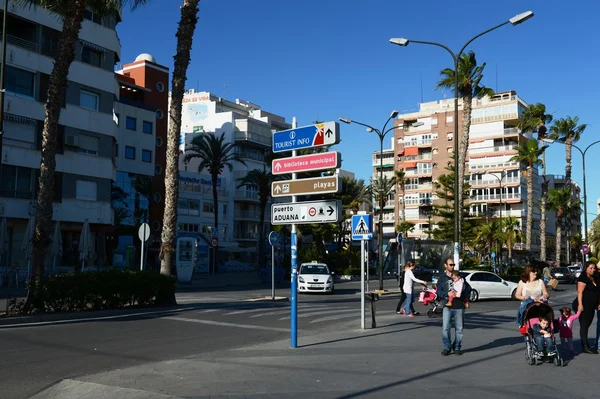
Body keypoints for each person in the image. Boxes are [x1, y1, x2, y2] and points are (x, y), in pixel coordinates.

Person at [437, 257, 465, 356]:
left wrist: (461, 292)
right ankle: (447, 347)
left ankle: (457, 347)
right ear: (445, 265)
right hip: (447, 305)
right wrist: (447, 294)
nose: (452, 266)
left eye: (453, 265)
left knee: (459, 328)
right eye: (450, 265)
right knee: (445, 328)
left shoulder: (459, 276)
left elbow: (467, 289)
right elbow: (439, 292)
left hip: (459, 305)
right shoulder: (442, 278)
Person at [575, 261, 600, 354]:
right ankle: (585, 346)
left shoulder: (595, 277)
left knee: (587, 324)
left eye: (594, 268)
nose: (592, 270)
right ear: (586, 268)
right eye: (590, 268)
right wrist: (580, 305)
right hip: (584, 305)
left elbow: (598, 291)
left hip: (591, 305)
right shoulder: (583, 278)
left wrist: (598, 302)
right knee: (584, 325)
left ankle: (586, 344)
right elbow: (580, 292)